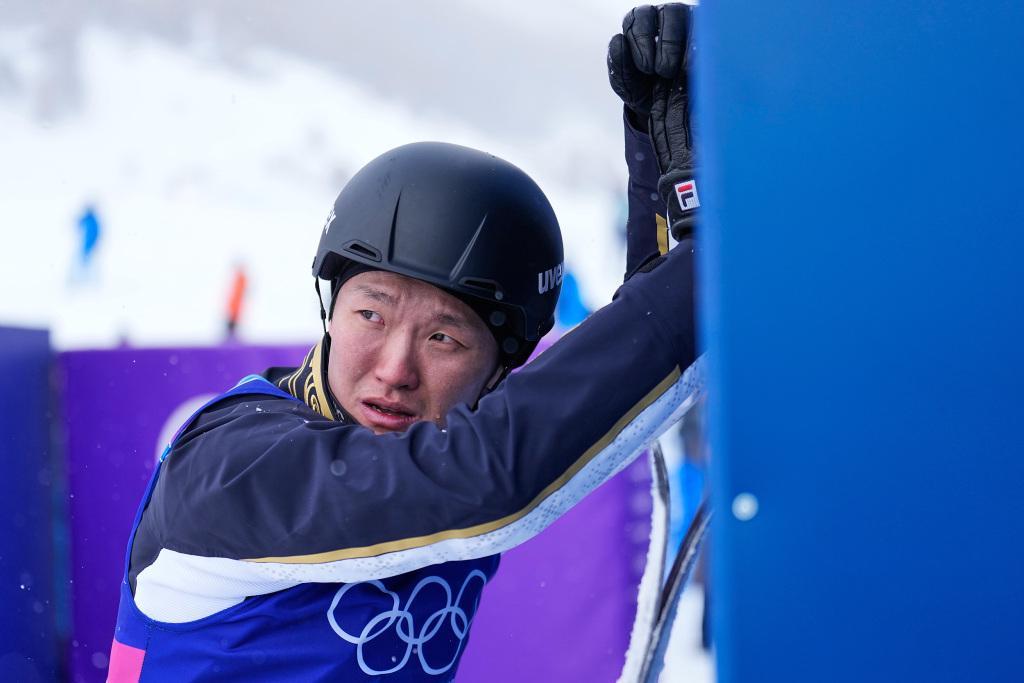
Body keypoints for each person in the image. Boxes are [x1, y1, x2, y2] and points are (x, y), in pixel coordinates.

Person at [106, 5, 699, 681]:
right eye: (372, 314)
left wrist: (660, 153)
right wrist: (711, 264)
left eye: (444, 337)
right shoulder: (229, 467)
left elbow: (633, 368)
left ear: (501, 368)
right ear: (330, 311)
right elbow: (492, 477)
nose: (395, 369)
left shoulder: (435, 452)